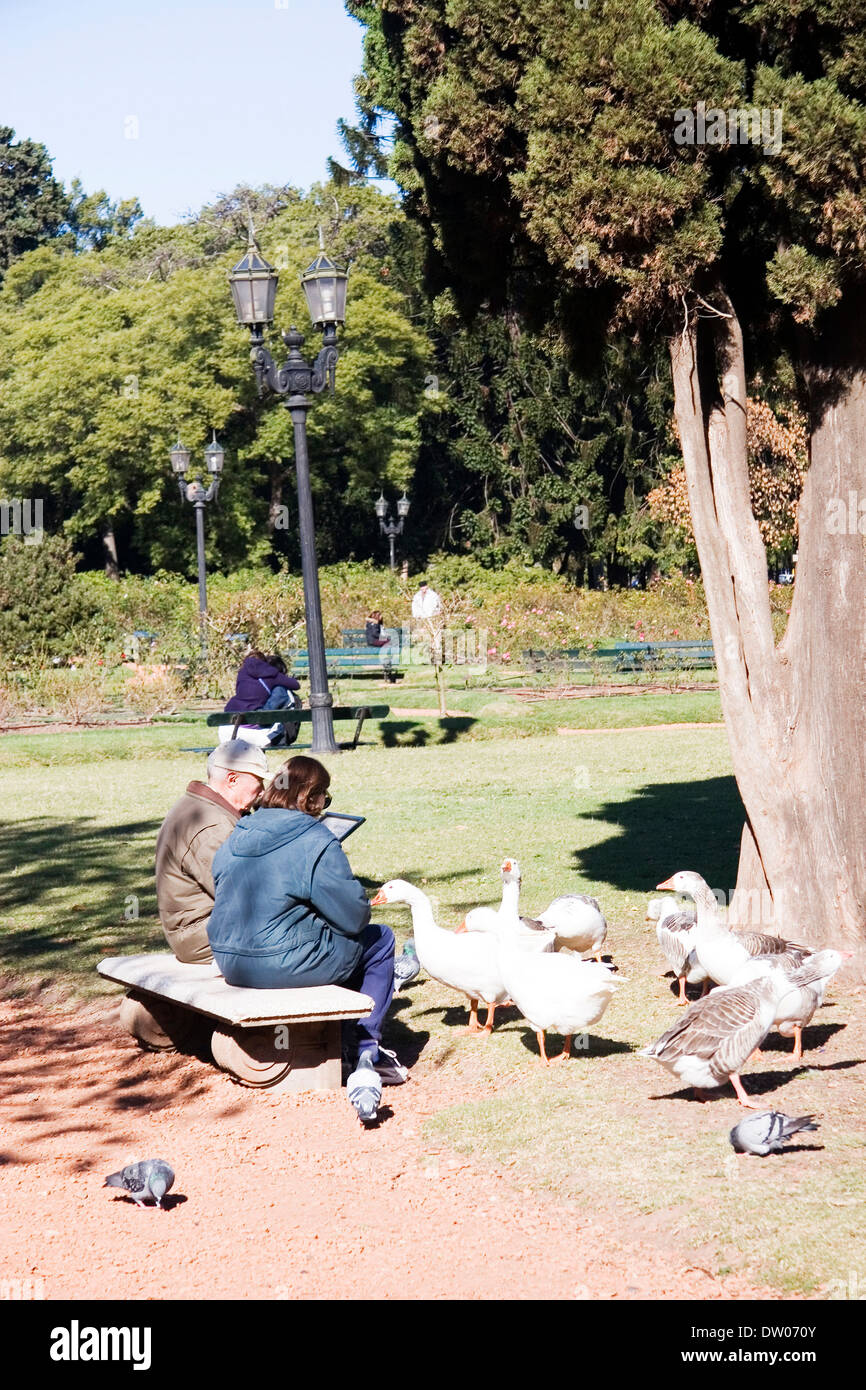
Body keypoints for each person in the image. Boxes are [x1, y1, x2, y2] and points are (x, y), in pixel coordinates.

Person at [207, 755, 405, 1094]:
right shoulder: (315, 840)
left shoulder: (241, 830)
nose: (323, 805)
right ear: (311, 797)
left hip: (230, 959)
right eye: (324, 797)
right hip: (279, 963)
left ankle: (338, 1032)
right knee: (379, 940)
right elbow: (354, 916)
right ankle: (364, 1048)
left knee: (332, 942)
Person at [154, 741, 269, 964]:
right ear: (233, 780)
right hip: (206, 938)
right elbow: (245, 895)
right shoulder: (214, 828)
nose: (262, 791)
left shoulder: (198, 806)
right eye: (259, 781)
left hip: (200, 930)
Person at [225, 647, 302, 747]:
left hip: (227, 730)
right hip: (269, 736)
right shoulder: (278, 686)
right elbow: (264, 719)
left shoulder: (243, 673)